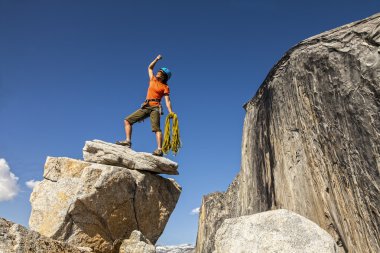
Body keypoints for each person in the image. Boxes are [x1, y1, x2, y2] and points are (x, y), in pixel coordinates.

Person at [116, 55, 174, 156]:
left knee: (156, 128)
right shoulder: (153, 79)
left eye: (160, 73)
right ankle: (127, 141)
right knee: (127, 120)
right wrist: (156, 59)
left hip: (155, 107)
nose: (158, 73)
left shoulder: (165, 87)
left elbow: (167, 100)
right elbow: (150, 68)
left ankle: (159, 149)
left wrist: (170, 112)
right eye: (158, 71)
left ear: (164, 76)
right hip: (146, 106)